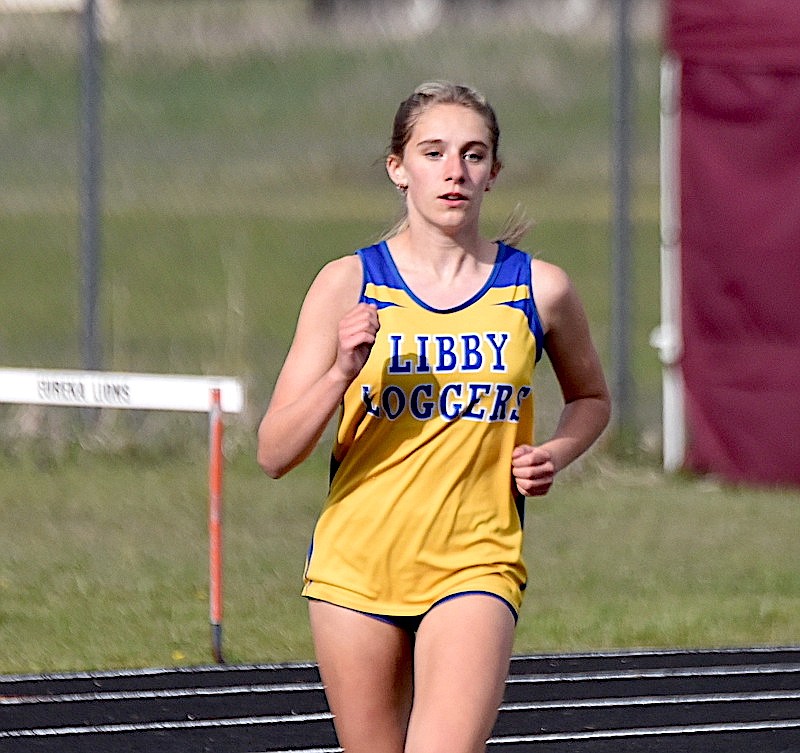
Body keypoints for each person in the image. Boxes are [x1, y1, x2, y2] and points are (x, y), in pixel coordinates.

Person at [257, 81, 610, 753]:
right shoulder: (348, 283)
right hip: (356, 567)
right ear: (398, 167)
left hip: (476, 560)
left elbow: (592, 399)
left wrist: (554, 454)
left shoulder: (539, 289)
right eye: (434, 152)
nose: (454, 171)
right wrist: (340, 371)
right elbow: (274, 451)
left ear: (493, 172)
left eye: (474, 155)